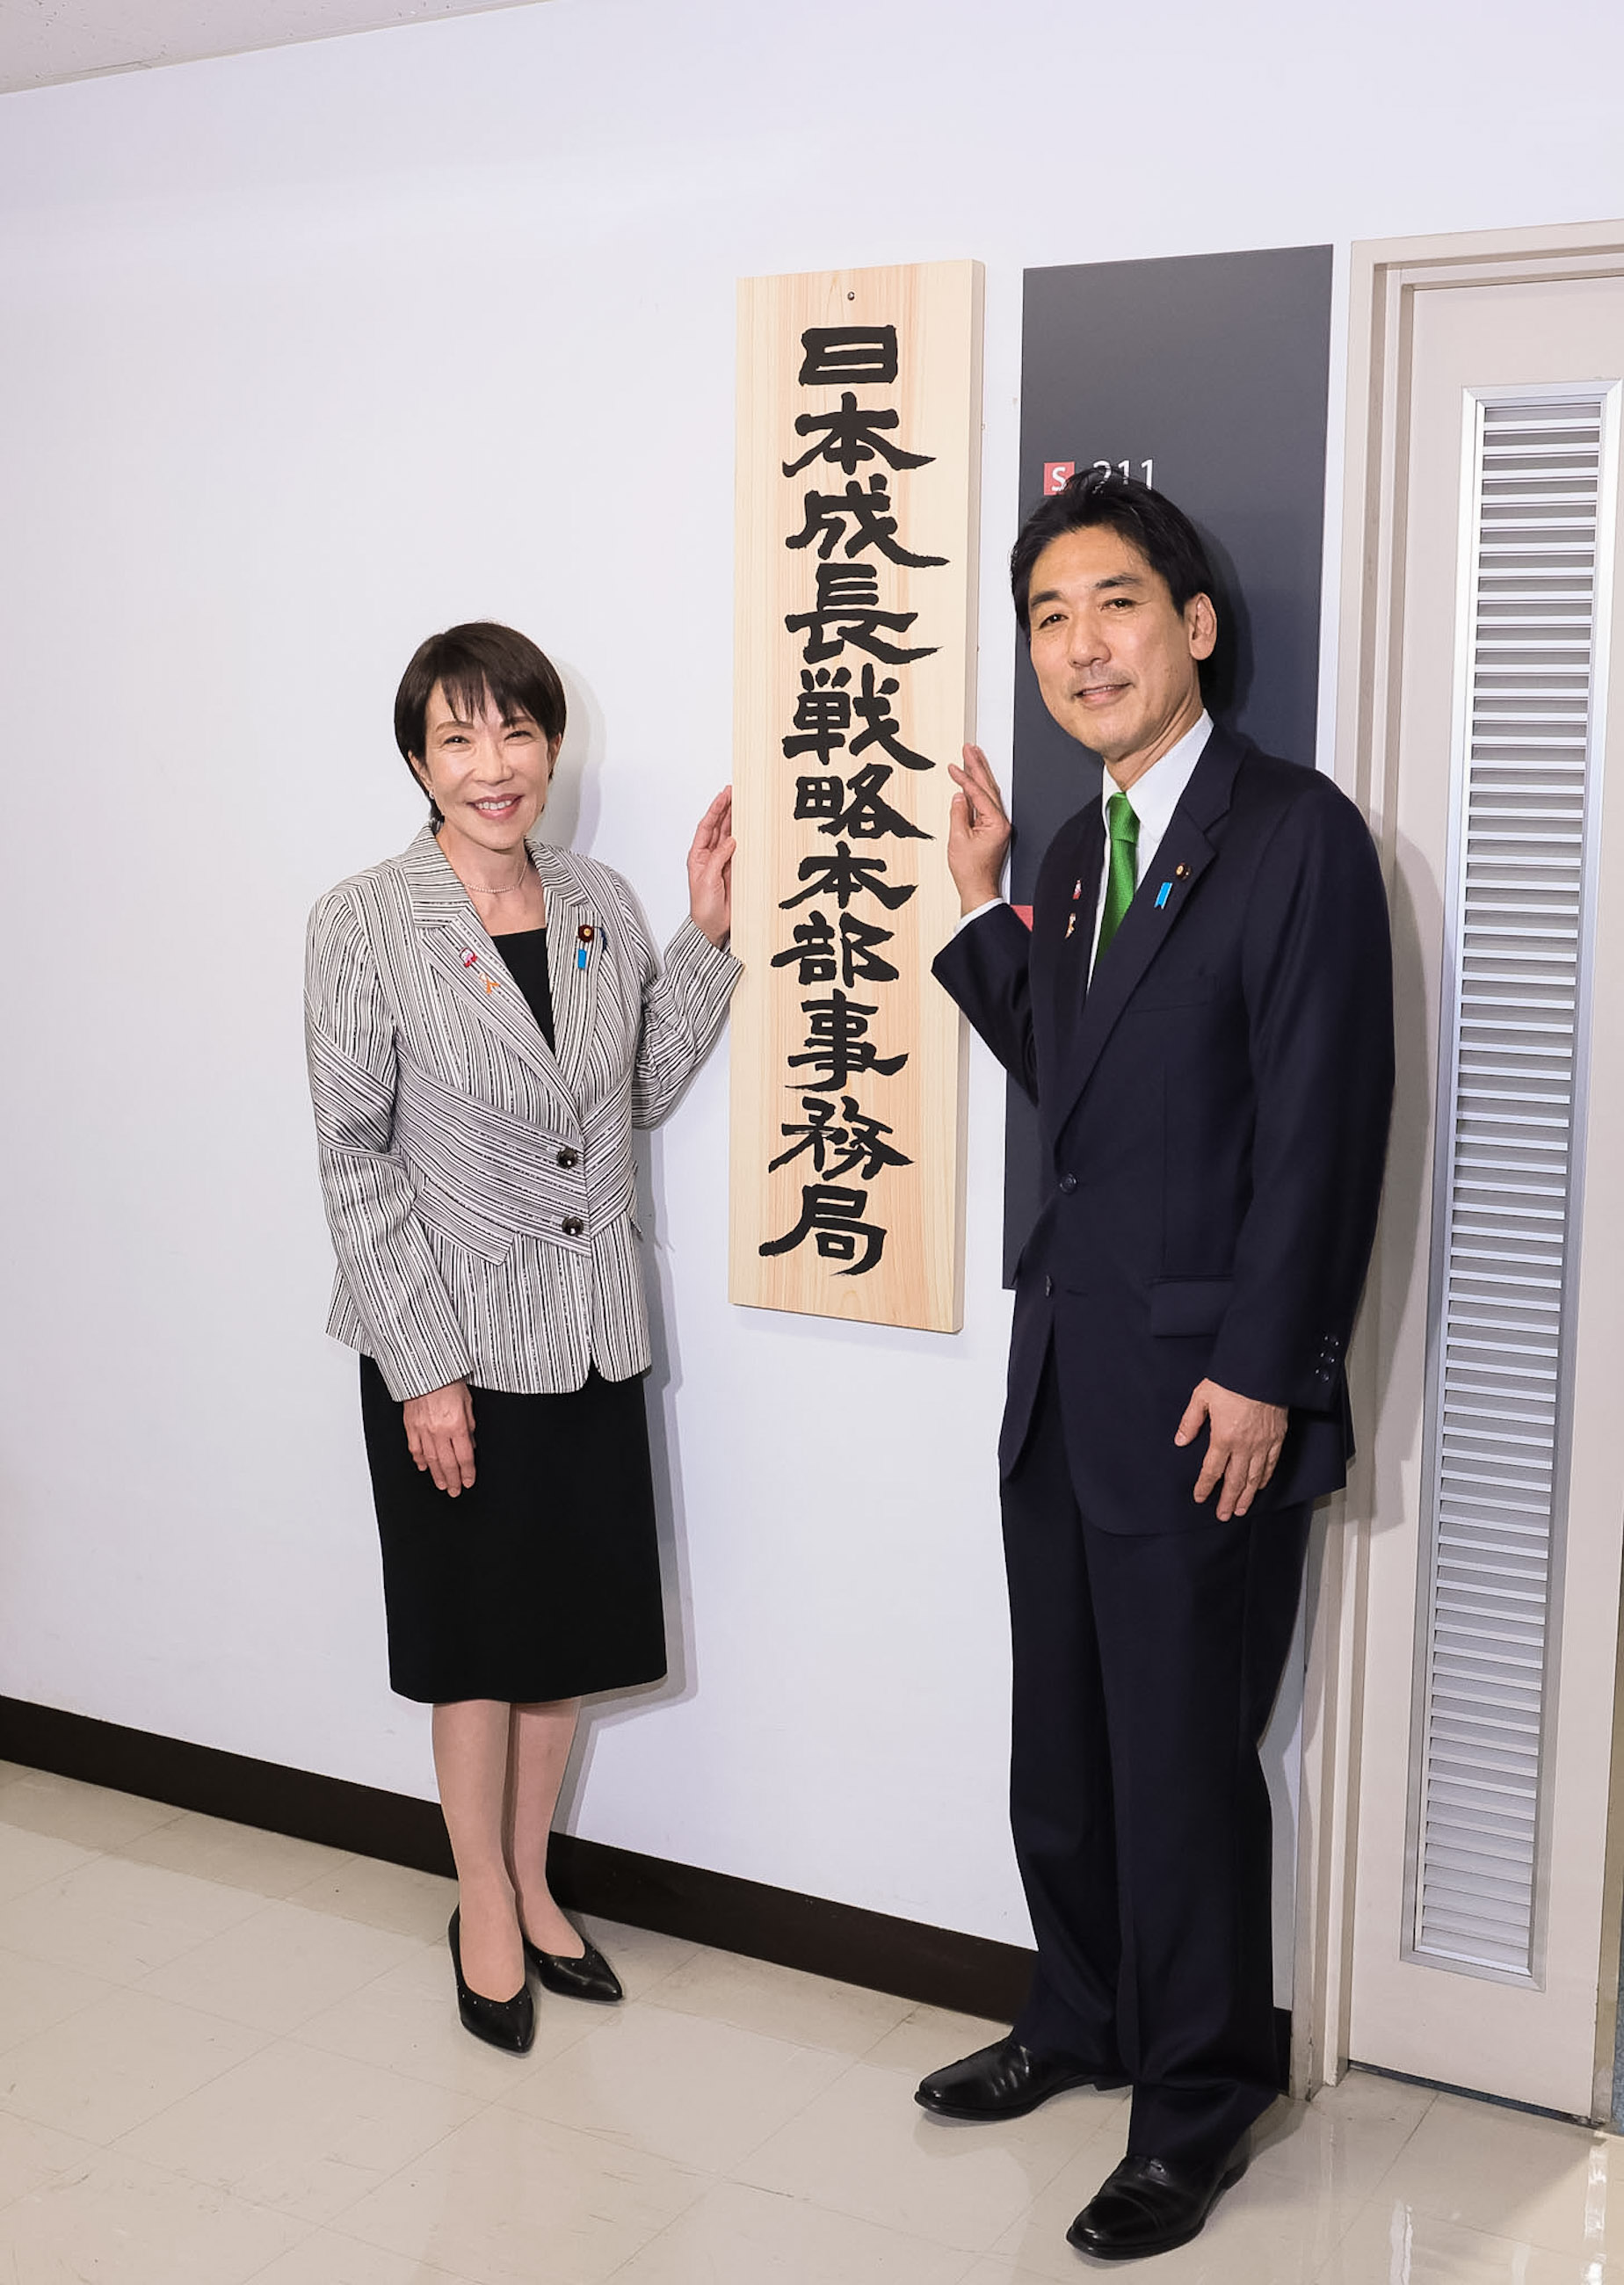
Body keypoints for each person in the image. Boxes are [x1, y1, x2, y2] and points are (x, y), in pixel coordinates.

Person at [921, 473, 1394, 2260]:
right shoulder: (1066, 849)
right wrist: (981, 906)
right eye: (1049, 618)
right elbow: (1083, 1077)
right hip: (1068, 1372)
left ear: (1194, 627)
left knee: (1187, 1754)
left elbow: (1322, 1132)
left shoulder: (1295, 836)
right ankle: (1078, 2013)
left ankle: (1194, 2102)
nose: (1080, 645)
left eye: (1114, 604)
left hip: (1211, 1392)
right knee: (1068, 1733)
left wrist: (1270, 1369)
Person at [304, 621, 738, 2055]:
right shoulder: (365, 920)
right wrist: (422, 1366)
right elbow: (356, 1160)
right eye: (459, 740)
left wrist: (707, 936)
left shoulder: (599, 899)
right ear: (420, 762)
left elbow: (632, 1094)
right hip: (456, 1357)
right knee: (473, 1647)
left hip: (591, 1338)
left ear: (554, 743)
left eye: (518, 734)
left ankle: (539, 1881)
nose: (496, 768)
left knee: (555, 1644)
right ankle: (480, 1899)